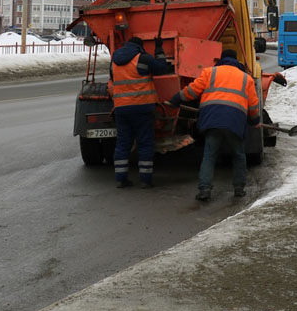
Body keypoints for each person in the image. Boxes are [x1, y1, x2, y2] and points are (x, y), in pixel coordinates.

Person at [166, 49, 261, 201]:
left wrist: (176, 99)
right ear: (237, 62)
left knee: (209, 155)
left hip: (213, 119)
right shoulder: (246, 78)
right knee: (238, 155)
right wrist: (254, 121)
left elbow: (192, 90)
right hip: (234, 121)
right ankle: (238, 188)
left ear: (221, 60)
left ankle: (204, 190)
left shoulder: (210, 72)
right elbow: (253, 105)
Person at [110, 35, 170, 189]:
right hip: (142, 107)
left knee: (123, 144)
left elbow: (113, 80)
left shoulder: (114, 61)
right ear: (139, 47)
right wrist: (159, 49)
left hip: (121, 108)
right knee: (145, 143)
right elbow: (162, 69)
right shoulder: (142, 58)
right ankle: (145, 179)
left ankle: (121, 179)